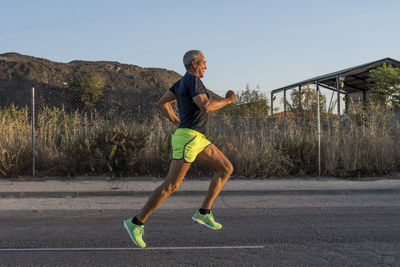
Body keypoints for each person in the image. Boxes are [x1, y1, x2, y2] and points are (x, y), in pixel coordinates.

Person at [123, 50, 237, 248]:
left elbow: (162, 102)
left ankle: (203, 212)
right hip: (188, 138)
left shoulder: (181, 82)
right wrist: (228, 100)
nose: (206, 66)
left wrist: (175, 119)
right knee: (171, 185)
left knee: (226, 168)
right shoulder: (193, 81)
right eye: (204, 62)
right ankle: (135, 223)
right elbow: (206, 106)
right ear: (194, 63)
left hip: (197, 138)